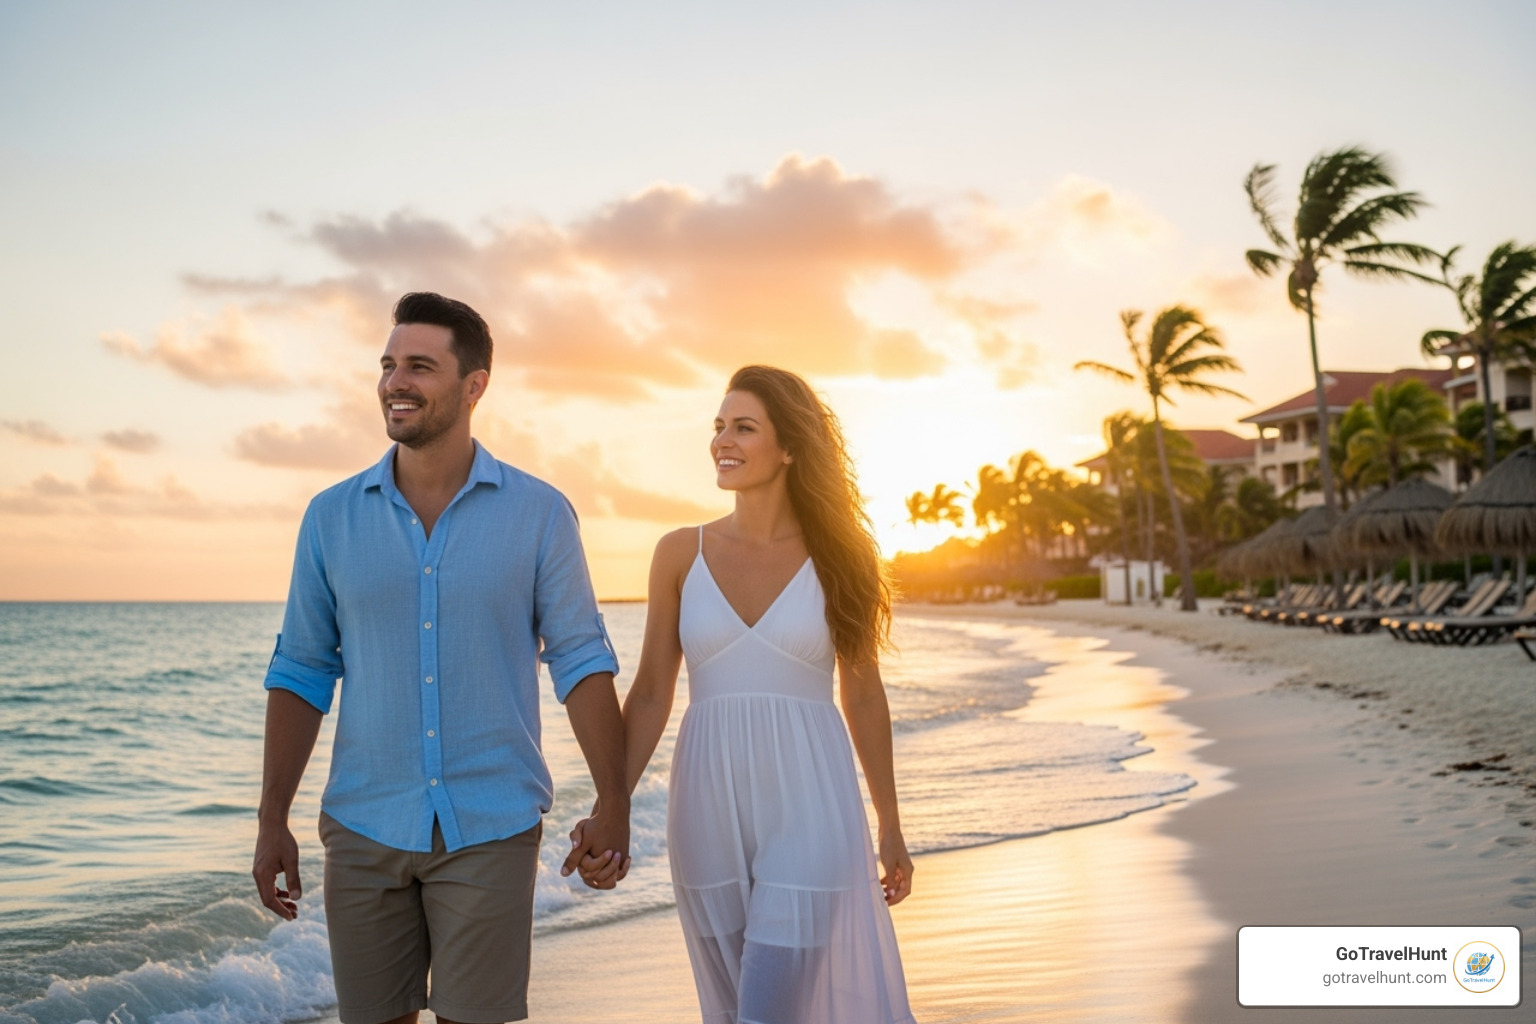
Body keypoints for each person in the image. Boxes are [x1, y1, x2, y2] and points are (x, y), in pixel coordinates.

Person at [251, 292, 630, 1024]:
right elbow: (302, 670)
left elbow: (581, 660)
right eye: (388, 364)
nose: (396, 382)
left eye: (420, 366)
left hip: (491, 824)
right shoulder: (330, 517)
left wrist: (613, 804)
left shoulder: (540, 513)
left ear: (474, 385)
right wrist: (272, 819)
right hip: (364, 825)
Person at [574, 365, 915, 1024]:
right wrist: (611, 806)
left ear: (789, 447)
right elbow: (651, 693)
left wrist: (890, 824)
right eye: (719, 426)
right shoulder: (680, 553)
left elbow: (865, 694)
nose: (722, 441)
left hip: (813, 809)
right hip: (704, 808)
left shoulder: (843, 557)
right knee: (731, 1012)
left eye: (744, 428)